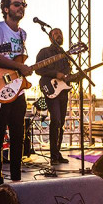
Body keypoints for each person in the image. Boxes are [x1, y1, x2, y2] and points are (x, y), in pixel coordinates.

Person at [0, 0, 33, 186]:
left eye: (23, 4)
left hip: (18, 90)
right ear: (6, 9)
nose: (21, 7)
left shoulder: (23, 34)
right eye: (16, 4)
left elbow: (19, 61)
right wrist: (18, 66)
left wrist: (23, 70)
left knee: (18, 135)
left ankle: (16, 179)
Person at [35, 28, 71, 165]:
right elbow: (38, 69)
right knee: (55, 120)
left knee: (61, 123)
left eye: (61, 33)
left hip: (63, 90)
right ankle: (53, 155)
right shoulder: (44, 52)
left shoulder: (66, 55)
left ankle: (57, 153)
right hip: (50, 88)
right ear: (50, 38)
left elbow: (67, 72)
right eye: (56, 34)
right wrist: (56, 74)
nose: (59, 35)